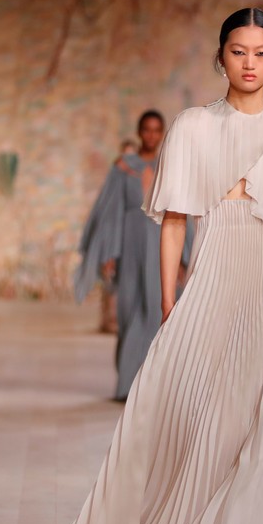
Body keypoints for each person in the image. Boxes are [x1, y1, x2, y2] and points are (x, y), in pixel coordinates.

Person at [41, 7, 263, 524]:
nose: (250, 63)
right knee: (199, 416)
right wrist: (169, 301)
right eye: (239, 51)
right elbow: (175, 220)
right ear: (221, 56)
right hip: (214, 275)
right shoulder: (193, 126)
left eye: (262, 52)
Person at [74, 110, 193, 400]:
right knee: (128, 313)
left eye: (156, 130)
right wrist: (109, 252)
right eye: (146, 129)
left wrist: (183, 258)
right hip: (129, 245)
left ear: (162, 133)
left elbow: (180, 213)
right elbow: (111, 210)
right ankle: (127, 385)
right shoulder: (123, 167)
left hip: (161, 245)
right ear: (139, 132)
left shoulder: (170, 167)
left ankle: (152, 389)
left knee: (157, 312)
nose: (151, 135)